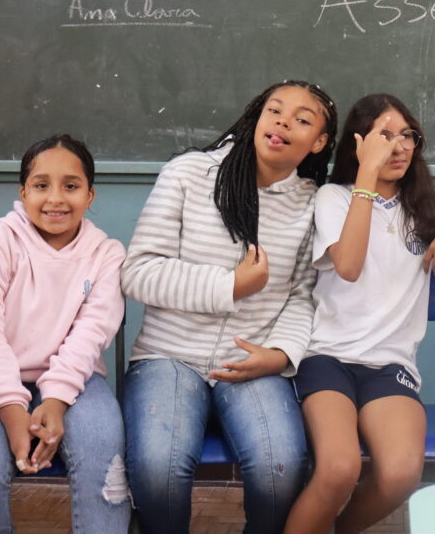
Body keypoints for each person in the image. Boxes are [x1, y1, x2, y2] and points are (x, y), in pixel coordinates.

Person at [284, 94, 435, 534]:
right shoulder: (334, 197)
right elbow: (348, 266)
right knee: (338, 468)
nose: (400, 146)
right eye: (385, 136)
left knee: (401, 474)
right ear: (359, 144)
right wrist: (366, 177)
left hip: (390, 365)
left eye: (408, 136)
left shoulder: (429, 206)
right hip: (327, 358)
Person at [121, 80, 337, 534]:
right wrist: (230, 286)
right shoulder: (188, 174)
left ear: (318, 143)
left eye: (302, 120)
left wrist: (279, 355)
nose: (283, 123)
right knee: (158, 470)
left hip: (251, 360)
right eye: (275, 110)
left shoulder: (310, 202)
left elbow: (303, 295)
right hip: (168, 356)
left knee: (281, 469)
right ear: (257, 117)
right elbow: (138, 272)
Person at [0, 134, 129, 533]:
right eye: (42, 185)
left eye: (71, 186)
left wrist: (55, 400)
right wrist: (12, 410)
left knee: (106, 465)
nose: (55, 198)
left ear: (90, 196)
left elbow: (91, 333)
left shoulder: (106, 254)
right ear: (23, 192)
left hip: (75, 380)